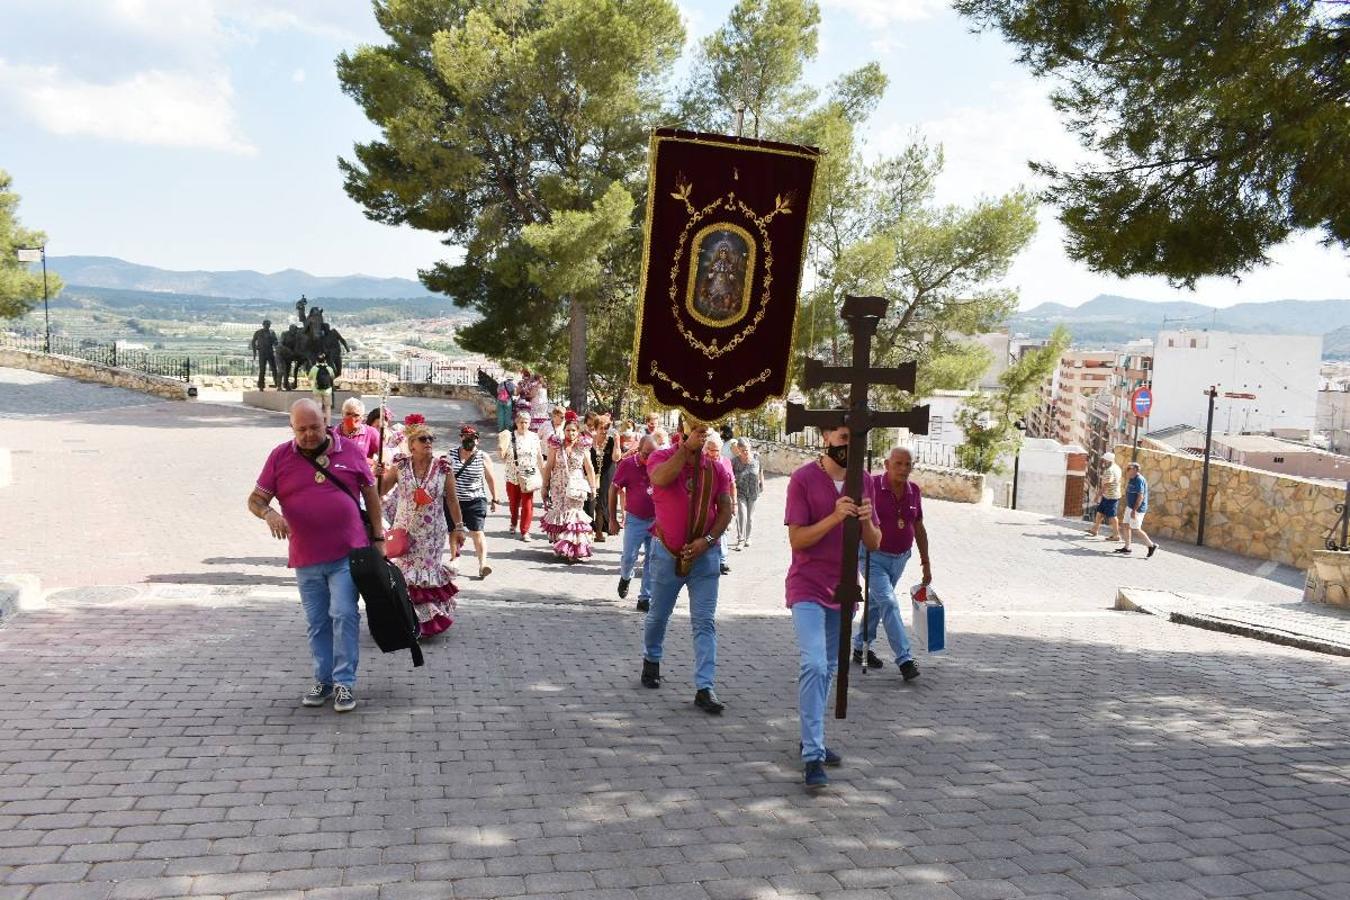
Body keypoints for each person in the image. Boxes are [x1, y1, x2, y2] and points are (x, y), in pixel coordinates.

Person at [247, 399, 385, 713]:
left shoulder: (349, 450)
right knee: (318, 622)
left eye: (314, 427)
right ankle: (322, 680)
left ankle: (344, 684)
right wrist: (269, 513)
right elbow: (255, 499)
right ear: (292, 429)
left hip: (347, 553)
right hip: (306, 557)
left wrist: (378, 537)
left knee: (344, 614)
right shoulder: (280, 456)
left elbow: (371, 493)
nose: (309, 434)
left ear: (326, 422)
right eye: (301, 429)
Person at [785, 423, 881, 788]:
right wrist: (835, 517)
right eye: (843, 438)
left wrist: (866, 519)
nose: (849, 446)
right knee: (813, 663)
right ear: (826, 437)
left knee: (827, 670)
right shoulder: (803, 479)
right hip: (807, 584)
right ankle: (812, 756)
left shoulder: (865, 481)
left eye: (854, 439)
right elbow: (798, 539)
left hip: (844, 590)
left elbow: (874, 542)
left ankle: (813, 738)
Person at [640, 418, 734, 714]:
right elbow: (660, 479)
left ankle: (705, 687)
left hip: (705, 555)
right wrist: (685, 450)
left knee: (704, 621)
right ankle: (651, 659)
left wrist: (707, 540)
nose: (699, 435)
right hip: (667, 551)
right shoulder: (662, 456)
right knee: (658, 614)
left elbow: (726, 508)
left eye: (702, 431)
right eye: (694, 430)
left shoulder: (715, 467)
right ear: (683, 431)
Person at [377, 415, 465, 636]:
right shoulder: (401, 466)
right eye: (423, 439)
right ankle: (405, 620)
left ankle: (425, 624)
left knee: (424, 576)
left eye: (431, 439)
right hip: (405, 531)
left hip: (433, 533)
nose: (428, 442)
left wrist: (459, 526)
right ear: (411, 444)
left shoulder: (443, 467)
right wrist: (376, 475)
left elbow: (452, 499)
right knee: (405, 574)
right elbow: (379, 490)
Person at [852, 446, 928, 681]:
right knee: (889, 601)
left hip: (900, 558)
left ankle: (860, 647)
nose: (904, 469)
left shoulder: (913, 491)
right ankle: (904, 659)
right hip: (872, 557)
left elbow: (918, 527)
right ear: (886, 464)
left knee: (877, 603)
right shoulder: (871, 485)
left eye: (908, 464)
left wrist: (926, 563)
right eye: (898, 463)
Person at [609, 434, 658, 612]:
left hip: (655, 520)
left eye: (653, 454)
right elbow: (613, 489)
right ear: (638, 450)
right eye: (646, 454)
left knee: (652, 559)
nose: (649, 458)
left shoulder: (660, 465)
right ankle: (625, 577)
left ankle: (645, 597)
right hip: (635, 519)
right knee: (629, 557)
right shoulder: (628, 464)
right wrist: (613, 519)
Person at [540, 415, 597, 562]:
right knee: (562, 513)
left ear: (578, 432)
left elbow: (589, 468)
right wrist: (544, 487)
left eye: (573, 431)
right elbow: (548, 467)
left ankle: (574, 549)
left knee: (574, 515)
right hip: (558, 485)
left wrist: (593, 487)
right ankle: (562, 546)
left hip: (576, 486)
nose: (570, 433)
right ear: (564, 431)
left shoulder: (583, 446)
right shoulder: (556, 445)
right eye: (568, 430)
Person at [449, 424, 500, 577]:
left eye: (473, 437)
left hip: (476, 499)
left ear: (477, 440)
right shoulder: (451, 454)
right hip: (454, 501)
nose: (469, 440)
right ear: (461, 437)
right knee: (454, 530)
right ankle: (454, 560)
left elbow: (490, 478)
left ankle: (483, 564)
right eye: (466, 436)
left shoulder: (482, 456)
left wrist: (495, 498)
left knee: (477, 531)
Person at [500, 408, 545, 542]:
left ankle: (525, 531)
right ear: (516, 422)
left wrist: (543, 473)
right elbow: (502, 456)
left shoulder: (534, 437)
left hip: (529, 473)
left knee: (527, 503)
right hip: (512, 474)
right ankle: (513, 522)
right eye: (521, 422)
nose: (523, 425)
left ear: (529, 423)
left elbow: (539, 456)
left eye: (526, 422)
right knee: (514, 503)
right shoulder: (509, 436)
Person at [702, 432, 735, 575]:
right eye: (710, 449)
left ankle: (722, 560)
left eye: (715, 450)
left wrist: (734, 504)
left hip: (723, 501)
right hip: (706, 502)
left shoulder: (726, 462)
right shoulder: (701, 461)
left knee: (723, 528)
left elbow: (732, 483)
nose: (713, 453)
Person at [1116, 461, 1159, 557]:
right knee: (1125, 525)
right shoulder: (1132, 478)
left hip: (1137, 509)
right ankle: (1127, 548)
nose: (1127, 471)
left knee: (1135, 529)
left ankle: (1151, 545)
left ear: (1135, 470)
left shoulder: (1139, 480)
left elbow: (1140, 497)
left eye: (1129, 469)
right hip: (1130, 507)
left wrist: (1134, 511)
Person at [731, 437, 764, 550]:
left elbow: (760, 471)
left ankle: (748, 537)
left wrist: (762, 483)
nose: (746, 452)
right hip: (740, 492)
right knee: (742, 515)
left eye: (747, 449)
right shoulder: (735, 461)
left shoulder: (756, 458)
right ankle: (740, 539)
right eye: (743, 450)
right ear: (739, 450)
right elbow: (730, 477)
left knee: (750, 517)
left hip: (753, 492)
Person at [591, 412, 618, 543]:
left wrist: (617, 442)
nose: (603, 431)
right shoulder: (590, 440)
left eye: (606, 428)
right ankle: (589, 529)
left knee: (602, 503)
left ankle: (599, 531)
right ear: (595, 428)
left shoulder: (612, 440)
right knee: (591, 502)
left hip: (607, 473)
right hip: (591, 473)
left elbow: (616, 458)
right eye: (600, 427)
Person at [1087, 452, 1123, 540]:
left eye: (1104, 460)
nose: (1103, 462)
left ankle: (1116, 535)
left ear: (1108, 461)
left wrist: (1097, 496)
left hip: (1111, 496)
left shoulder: (1109, 470)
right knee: (1100, 513)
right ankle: (1095, 530)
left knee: (1112, 516)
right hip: (1109, 495)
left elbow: (1106, 485)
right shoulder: (1117, 468)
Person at [336, 398, 379, 468]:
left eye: (356, 415)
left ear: (362, 417)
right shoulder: (334, 434)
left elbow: (384, 456)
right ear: (342, 415)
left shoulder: (371, 433)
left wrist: (370, 462)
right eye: (348, 414)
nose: (352, 418)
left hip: (362, 474)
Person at [251, 319, 279, 390]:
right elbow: (253, 341)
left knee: (274, 369)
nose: (267, 326)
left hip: (270, 352)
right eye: (266, 324)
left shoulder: (272, 332)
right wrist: (254, 352)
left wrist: (275, 343)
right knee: (262, 370)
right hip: (262, 353)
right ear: (263, 325)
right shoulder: (258, 332)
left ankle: (277, 384)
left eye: (268, 324)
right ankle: (261, 385)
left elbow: (275, 342)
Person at [308, 353, 337, 423]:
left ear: (317, 361)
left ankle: (319, 422)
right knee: (328, 407)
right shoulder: (329, 368)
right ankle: (328, 424)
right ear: (325, 361)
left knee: (318, 407)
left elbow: (310, 378)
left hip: (317, 390)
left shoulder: (314, 368)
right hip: (327, 390)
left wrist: (312, 386)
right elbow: (332, 377)